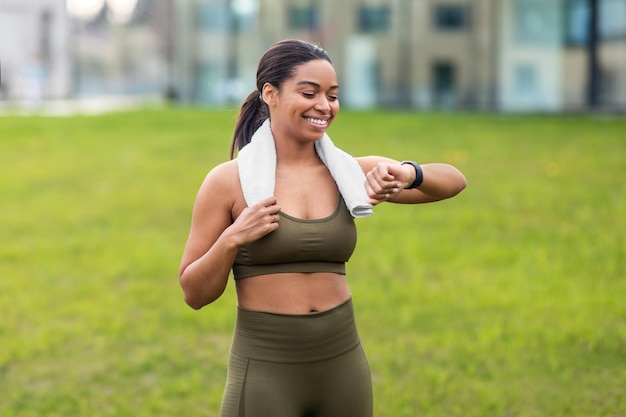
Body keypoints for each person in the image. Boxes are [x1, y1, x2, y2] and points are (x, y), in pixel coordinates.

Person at [179, 39, 467, 417]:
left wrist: (409, 173)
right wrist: (232, 239)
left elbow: (454, 181)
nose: (325, 106)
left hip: (342, 364)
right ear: (271, 93)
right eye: (309, 92)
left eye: (333, 95)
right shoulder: (228, 182)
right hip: (266, 368)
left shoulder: (349, 174)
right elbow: (194, 293)